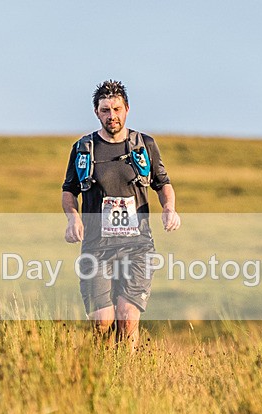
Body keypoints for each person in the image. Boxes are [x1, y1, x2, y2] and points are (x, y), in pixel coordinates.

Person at [62, 80, 180, 350]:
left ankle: (128, 368)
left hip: (137, 246)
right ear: (96, 112)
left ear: (127, 109)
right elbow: (69, 190)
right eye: (105, 110)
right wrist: (73, 218)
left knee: (127, 319)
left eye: (116, 109)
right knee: (102, 322)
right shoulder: (83, 148)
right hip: (97, 246)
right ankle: (101, 367)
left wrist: (169, 208)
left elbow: (163, 183)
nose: (111, 116)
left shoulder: (144, 145)